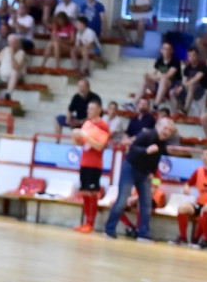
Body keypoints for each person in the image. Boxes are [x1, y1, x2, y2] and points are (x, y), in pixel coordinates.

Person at [104, 118, 176, 241]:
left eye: (169, 130)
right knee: (122, 201)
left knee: (146, 204)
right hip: (130, 168)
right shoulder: (147, 134)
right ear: (158, 126)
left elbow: (156, 169)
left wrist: (152, 174)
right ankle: (109, 230)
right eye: (165, 128)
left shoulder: (163, 144)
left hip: (145, 175)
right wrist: (146, 150)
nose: (167, 132)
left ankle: (143, 233)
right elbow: (133, 148)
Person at [72, 100, 109, 234]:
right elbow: (79, 144)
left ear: (99, 110)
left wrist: (85, 136)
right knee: (85, 193)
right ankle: (86, 222)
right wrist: (75, 136)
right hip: (84, 162)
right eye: (88, 108)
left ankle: (90, 223)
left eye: (92, 109)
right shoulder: (86, 124)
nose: (89, 111)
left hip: (95, 164)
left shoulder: (103, 126)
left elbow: (100, 146)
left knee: (92, 193)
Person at [171, 146, 207, 246]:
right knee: (182, 208)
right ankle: (183, 238)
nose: (205, 157)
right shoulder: (199, 170)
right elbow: (188, 183)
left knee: (205, 210)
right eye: (203, 154)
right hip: (199, 202)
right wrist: (186, 187)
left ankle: (196, 239)